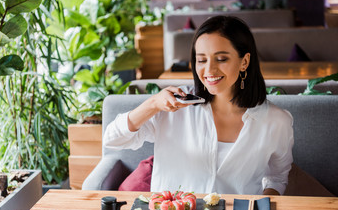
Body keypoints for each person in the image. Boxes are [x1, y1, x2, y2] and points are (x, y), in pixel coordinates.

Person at [104, 16, 293, 195]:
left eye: (221, 59)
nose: (209, 70)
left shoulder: (276, 121)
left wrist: (262, 209)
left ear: (244, 62)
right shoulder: (174, 105)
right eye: (201, 60)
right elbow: (113, 139)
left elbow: (277, 177)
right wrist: (153, 103)